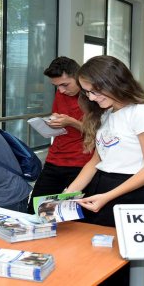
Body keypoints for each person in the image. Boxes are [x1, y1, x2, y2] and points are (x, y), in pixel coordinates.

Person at [65, 56, 144, 286]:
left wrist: (108, 197)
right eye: (87, 93)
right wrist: (67, 194)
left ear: (113, 82)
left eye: (94, 91)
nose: (91, 97)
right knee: (92, 259)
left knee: (116, 266)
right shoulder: (106, 113)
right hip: (99, 189)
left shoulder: (142, 113)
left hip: (126, 193)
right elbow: (96, 161)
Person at [26, 56, 93, 214]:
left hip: (82, 162)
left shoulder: (94, 97)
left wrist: (72, 122)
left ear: (78, 76)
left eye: (65, 84)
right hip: (56, 158)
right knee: (36, 211)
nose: (61, 90)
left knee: (77, 215)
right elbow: (61, 117)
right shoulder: (61, 93)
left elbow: (100, 133)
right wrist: (52, 122)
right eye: (56, 86)